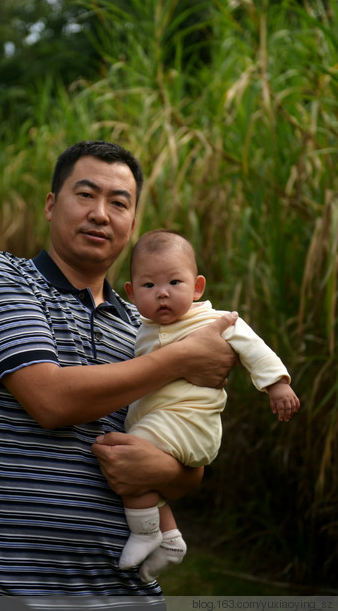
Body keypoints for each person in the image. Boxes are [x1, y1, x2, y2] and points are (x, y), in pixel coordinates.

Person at [0, 141, 238, 607]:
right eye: (85, 195)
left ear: (132, 222)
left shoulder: (146, 326)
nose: (101, 214)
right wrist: (184, 357)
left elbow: (190, 459)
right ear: (51, 205)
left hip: (129, 593)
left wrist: (166, 469)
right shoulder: (2, 277)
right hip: (12, 587)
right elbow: (50, 400)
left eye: (119, 202)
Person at [118, 229, 300, 583]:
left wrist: (277, 384)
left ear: (197, 286)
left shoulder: (214, 321)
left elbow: (254, 347)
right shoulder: (140, 329)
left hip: (191, 424)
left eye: (174, 282)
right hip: (163, 423)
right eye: (149, 286)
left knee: (127, 457)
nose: (163, 293)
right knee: (132, 461)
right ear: (131, 292)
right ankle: (170, 539)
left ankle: (145, 532)